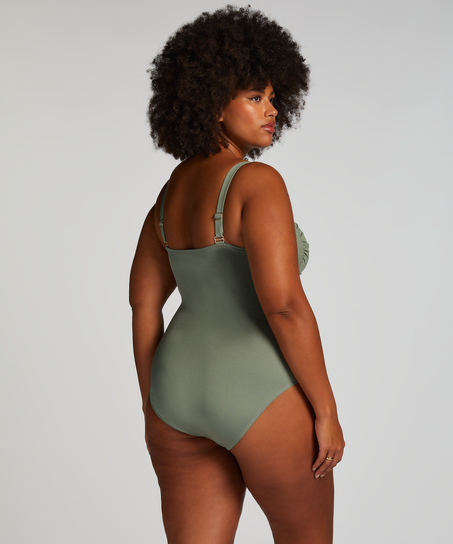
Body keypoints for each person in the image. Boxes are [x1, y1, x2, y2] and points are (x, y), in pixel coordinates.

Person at [130, 6, 345, 543]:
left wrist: (153, 400)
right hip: (258, 390)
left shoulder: (170, 194)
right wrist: (326, 410)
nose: (272, 110)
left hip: (175, 394)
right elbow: (284, 306)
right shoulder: (256, 182)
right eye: (255, 97)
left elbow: (143, 304)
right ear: (213, 104)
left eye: (273, 97)